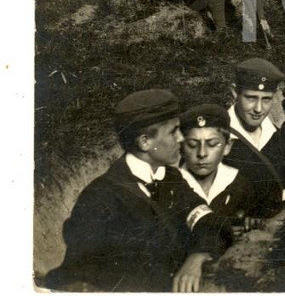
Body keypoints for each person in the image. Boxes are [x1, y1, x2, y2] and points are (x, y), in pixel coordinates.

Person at [46, 89, 231, 292]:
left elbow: (208, 220)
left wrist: (198, 256)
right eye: (173, 131)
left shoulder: (170, 179)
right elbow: (78, 276)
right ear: (144, 142)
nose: (181, 138)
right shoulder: (100, 198)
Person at [178, 103, 279, 224]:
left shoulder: (241, 185)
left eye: (212, 144)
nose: (202, 153)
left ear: (227, 146)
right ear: (181, 147)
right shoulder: (171, 185)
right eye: (192, 145)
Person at [225, 57, 285, 206]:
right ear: (235, 92)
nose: (258, 109)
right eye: (251, 98)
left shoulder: (278, 136)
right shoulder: (215, 139)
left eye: (266, 99)